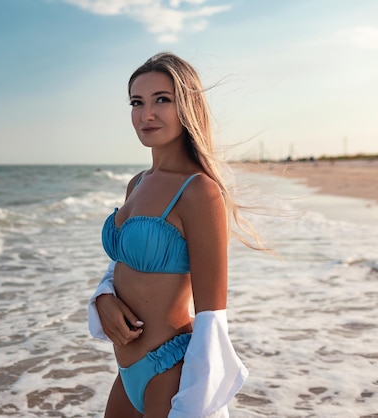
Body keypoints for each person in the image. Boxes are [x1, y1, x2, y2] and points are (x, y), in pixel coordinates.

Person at [88, 52, 262, 417]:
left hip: (169, 371)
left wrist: (194, 403)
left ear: (187, 107)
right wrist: (102, 299)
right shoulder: (137, 183)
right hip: (126, 372)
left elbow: (212, 315)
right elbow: (119, 266)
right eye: (137, 102)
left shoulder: (199, 191)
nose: (146, 114)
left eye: (161, 100)